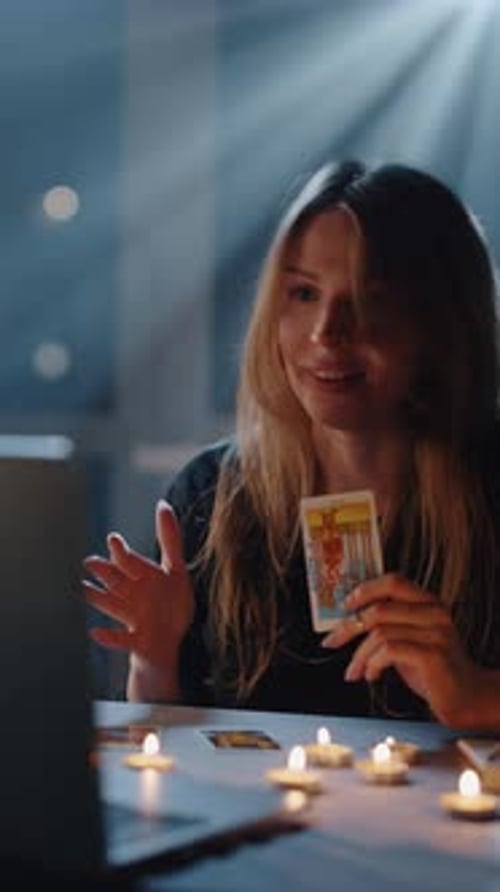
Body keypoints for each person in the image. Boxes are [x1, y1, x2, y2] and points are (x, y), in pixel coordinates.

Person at [84, 159, 500, 731]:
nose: (327, 331)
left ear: (442, 323)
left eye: (371, 299)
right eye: (304, 293)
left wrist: (476, 696)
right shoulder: (211, 495)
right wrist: (154, 660)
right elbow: (169, 749)